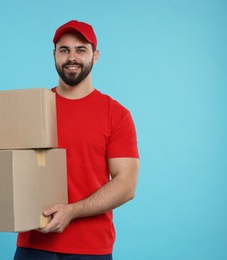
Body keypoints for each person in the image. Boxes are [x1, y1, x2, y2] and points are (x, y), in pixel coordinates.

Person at [14, 20, 140, 259]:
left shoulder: (116, 114)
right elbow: (12, 168)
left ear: (96, 55)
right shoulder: (32, 109)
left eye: (81, 49)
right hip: (33, 244)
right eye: (64, 50)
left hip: (90, 249)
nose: (72, 57)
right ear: (54, 55)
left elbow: (127, 185)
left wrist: (72, 211)